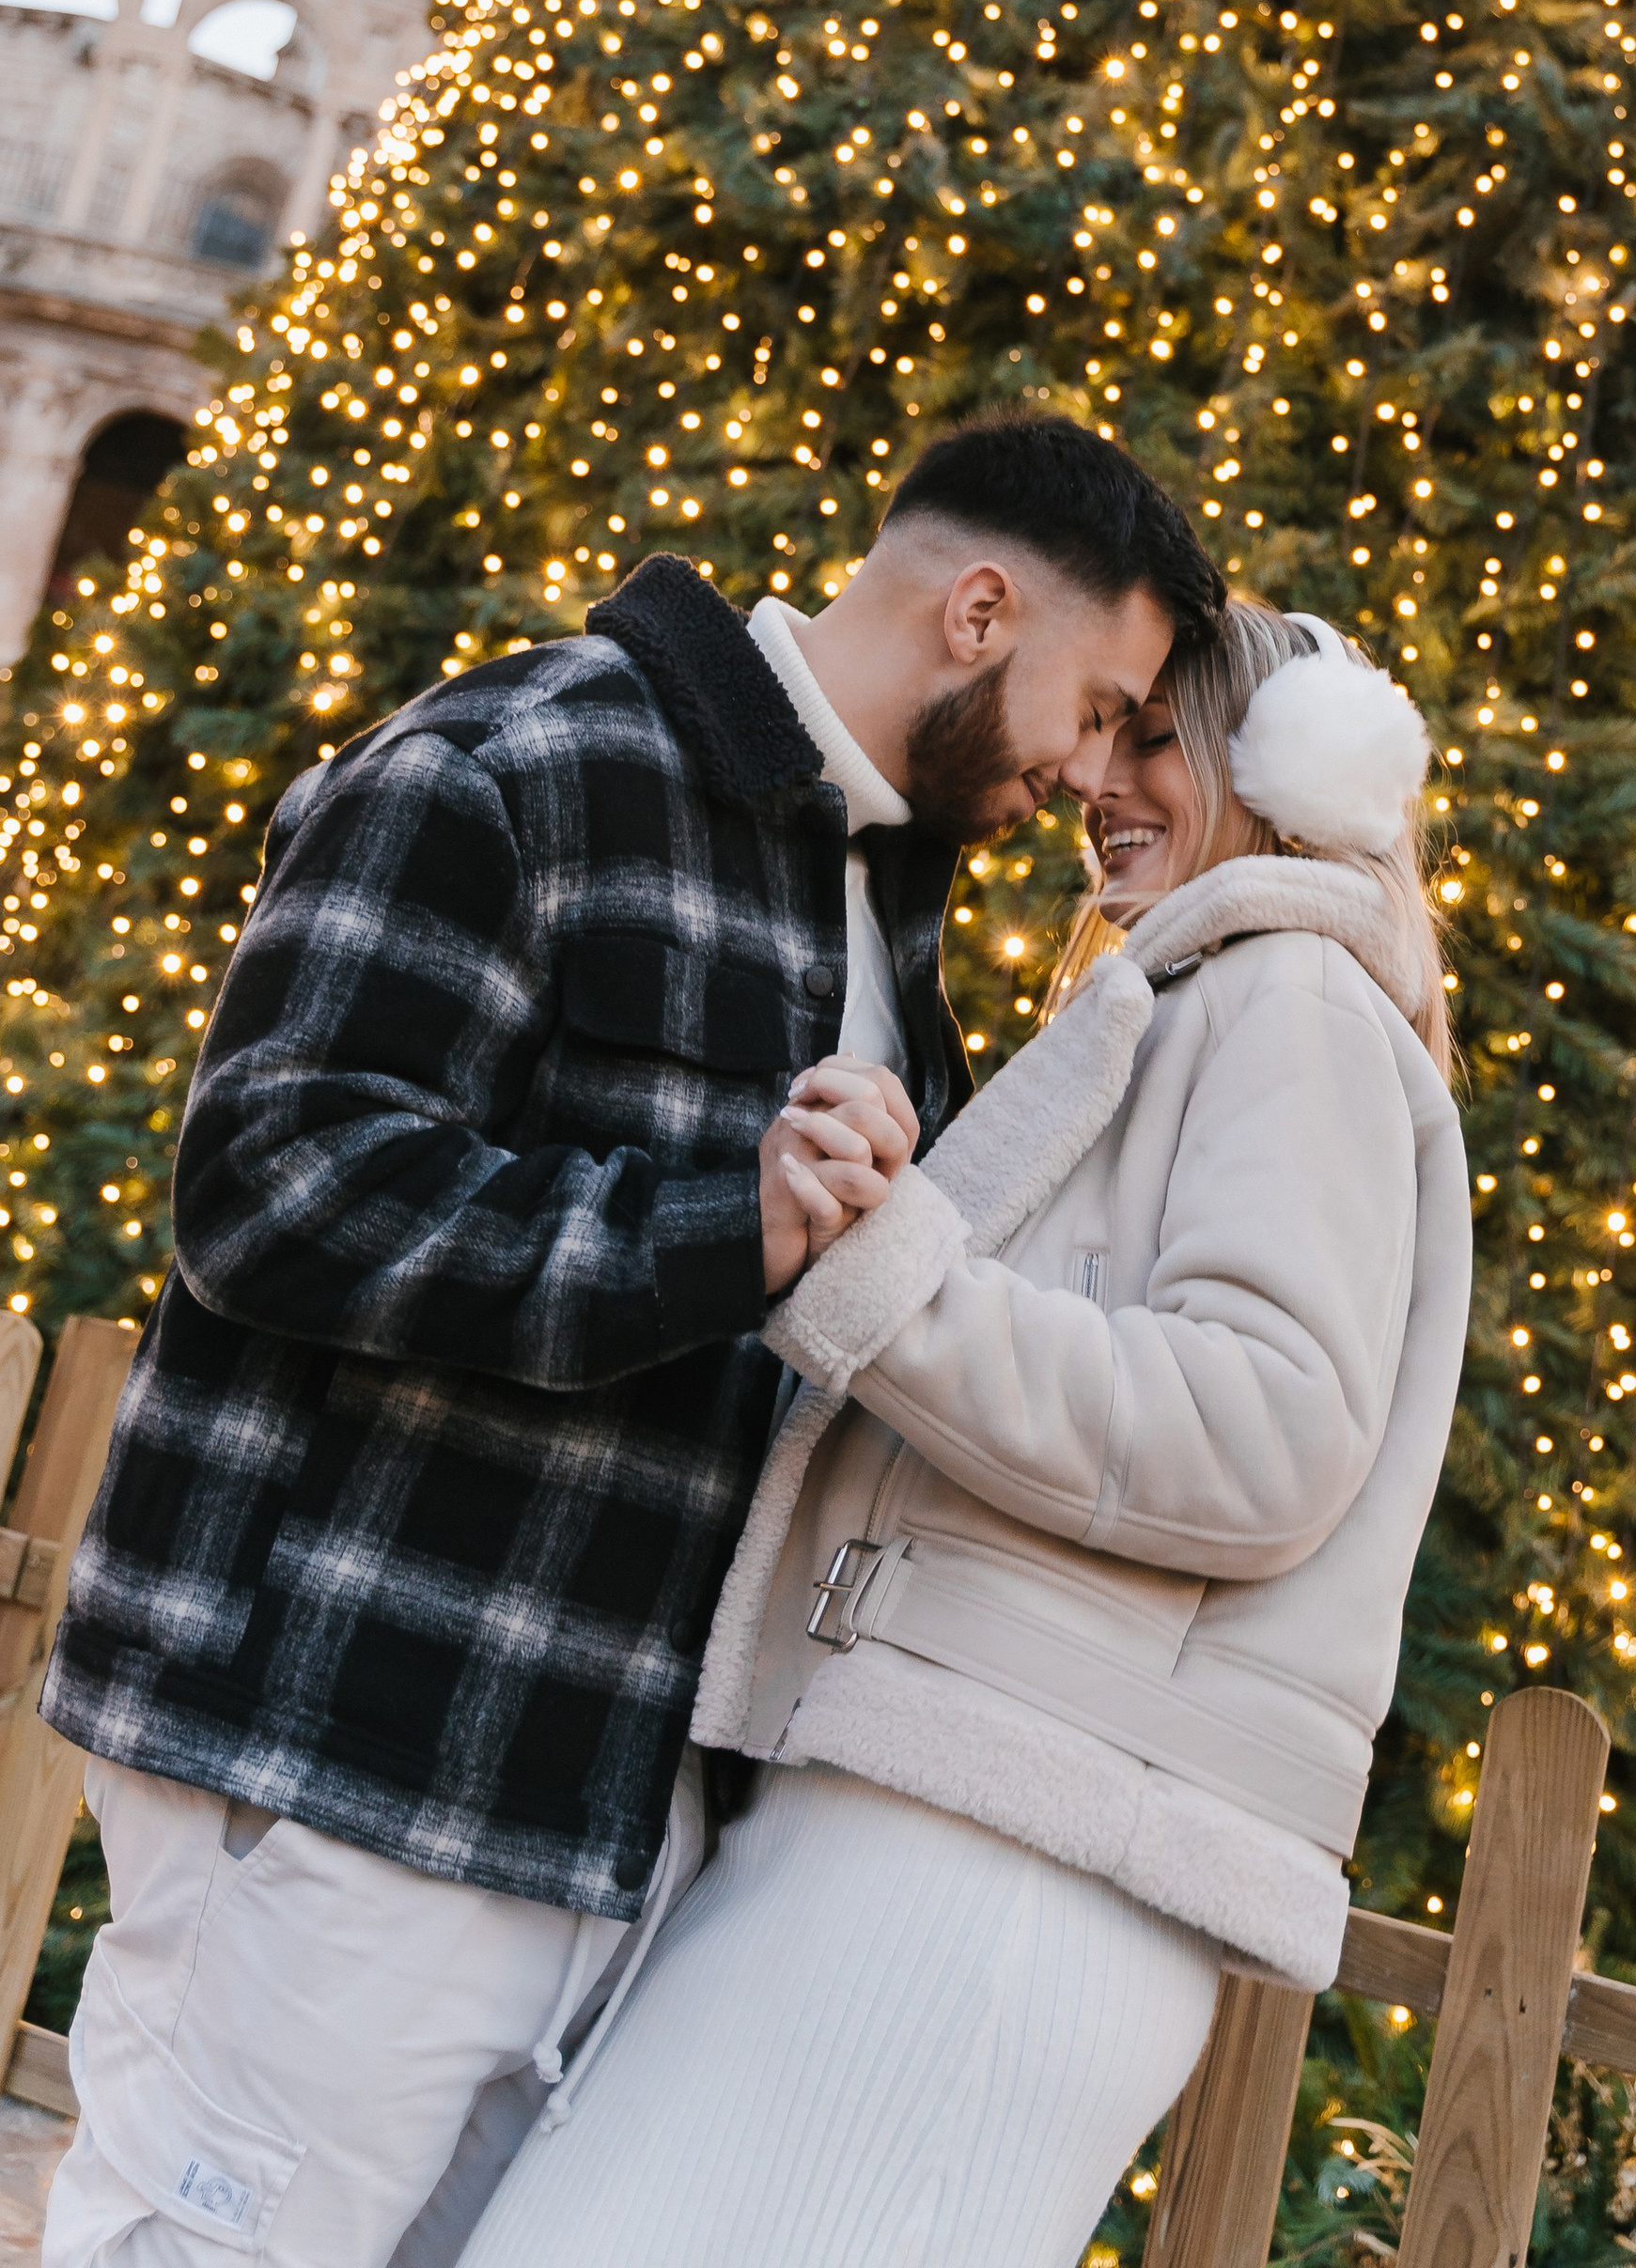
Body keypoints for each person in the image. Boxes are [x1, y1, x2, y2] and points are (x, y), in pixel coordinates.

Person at [39, 414, 1223, 2268]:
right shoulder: (517, 758)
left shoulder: (877, 902)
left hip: (599, 1808)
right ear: (981, 611)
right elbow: (269, 1186)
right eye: (1096, 706)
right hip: (350, 1767)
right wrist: (714, 1227)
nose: (1088, 776)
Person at [461, 600, 1473, 2268]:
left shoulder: (1288, 996)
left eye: (1158, 736)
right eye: (1111, 731)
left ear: (1282, 772)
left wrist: (891, 1266)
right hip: (952, 1810)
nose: (1103, 779)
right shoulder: (1202, 1000)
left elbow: (1265, 1431)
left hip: (1019, 1853)